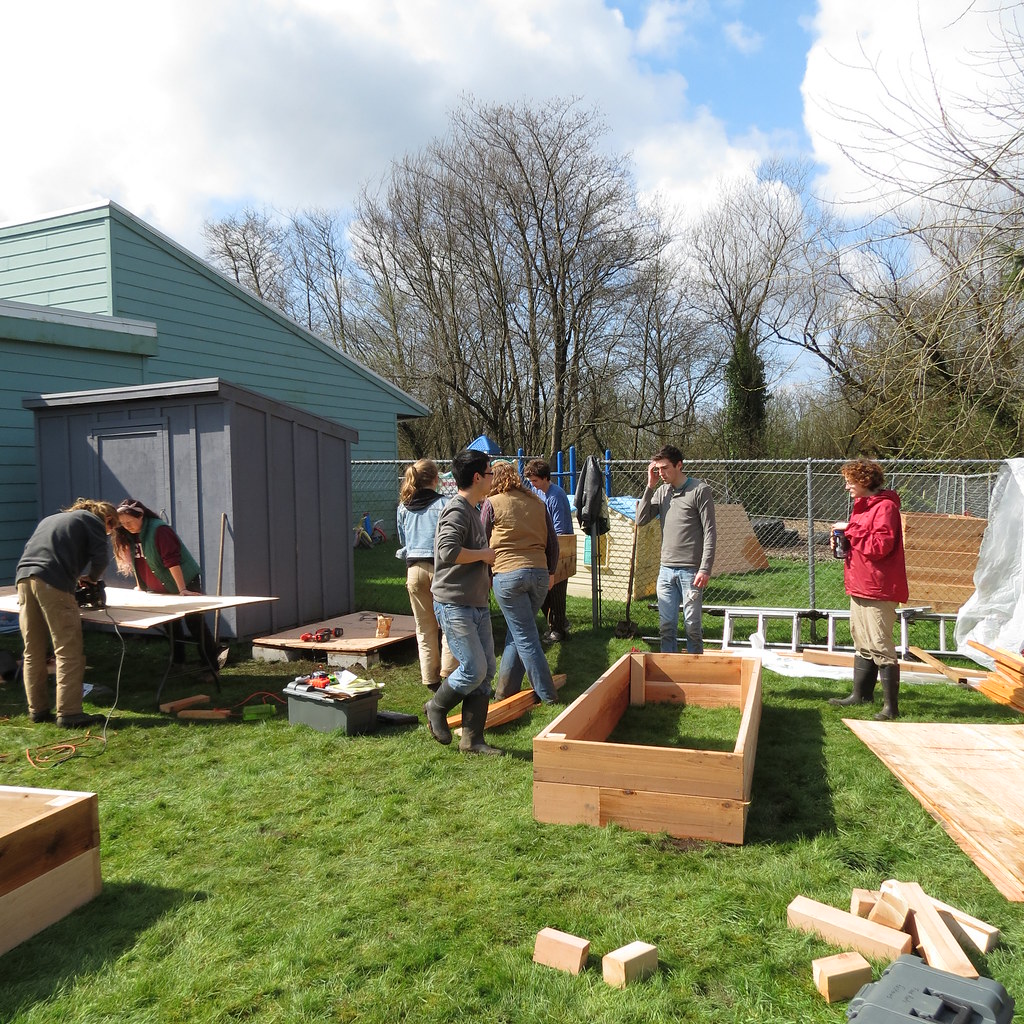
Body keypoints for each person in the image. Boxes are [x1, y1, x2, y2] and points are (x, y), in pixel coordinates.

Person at [15, 498, 119, 728]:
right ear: (108, 520)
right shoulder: (93, 521)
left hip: (24, 579)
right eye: (113, 529)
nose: (111, 533)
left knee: (33, 651)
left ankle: (38, 710)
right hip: (52, 583)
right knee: (68, 650)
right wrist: (91, 579)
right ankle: (70, 713)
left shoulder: (51, 519)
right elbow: (100, 559)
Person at [424, 449, 502, 755]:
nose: (493, 478)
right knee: (472, 668)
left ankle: (472, 741)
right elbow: (447, 552)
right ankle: (436, 706)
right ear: (477, 477)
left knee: (486, 671)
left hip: (475, 602)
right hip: (454, 603)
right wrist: (485, 555)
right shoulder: (457, 510)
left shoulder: (474, 508)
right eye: (490, 472)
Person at [828, 458, 909, 720]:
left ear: (864, 481)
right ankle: (861, 694)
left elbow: (880, 546)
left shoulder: (885, 507)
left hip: (879, 587)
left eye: (850, 482)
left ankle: (891, 707)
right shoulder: (861, 507)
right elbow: (861, 541)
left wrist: (850, 530)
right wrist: (842, 542)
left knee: (880, 642)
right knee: (861, 639)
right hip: (860, 583)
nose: (846, 487)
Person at [112, 498, 224, 680]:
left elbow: (172, 561)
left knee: (194, 623)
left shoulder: (159, 530)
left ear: (140, 515)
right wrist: (141, 587)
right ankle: (178, 662)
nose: (126, 526)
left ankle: (210, 667)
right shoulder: (130, 534)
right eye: (123, 523)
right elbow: (138, 561)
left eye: (129, 522)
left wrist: (182, 590)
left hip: (184, 581)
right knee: (171, 625)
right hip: (161, 586)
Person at [484, 461, 561, 704]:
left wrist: (485, 576)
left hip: (508, 575)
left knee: (525, 636)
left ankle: (548, 696)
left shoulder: (491, 503)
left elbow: (480, 539)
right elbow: (553, 543)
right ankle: (505, 692)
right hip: (538, 574)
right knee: (517, 633)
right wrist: (550, 571)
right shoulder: (538, 502)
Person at [637, 444, 716, 654]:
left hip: (691, 572)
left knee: (692, 628)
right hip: (666, 571)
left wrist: (705, 568)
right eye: (658, 469)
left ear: (679, 465)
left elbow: (710, 532)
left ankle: (695, 672)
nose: (661, 473)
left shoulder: (700, 490)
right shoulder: (662, 491)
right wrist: (650, 486)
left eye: (665, 468)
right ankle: (669, 674)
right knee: (666, 627)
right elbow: (641, 519)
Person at [396, 459, 458, 690]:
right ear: (436, 479)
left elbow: (403, 540)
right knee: (449, 623)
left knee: (424, 627)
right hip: (441, 569)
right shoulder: (445, 504)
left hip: (414, 570)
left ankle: (429, 678)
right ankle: (449, 672)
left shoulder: (403, 507)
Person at [524, 458, 573, 643]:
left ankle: (559, 630)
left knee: (557, 592)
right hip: (543, 548)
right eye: (530, 481)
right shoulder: (537, 493)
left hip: (560, 548)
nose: (532, 484)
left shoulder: (555, 496)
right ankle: (557, 623)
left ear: (545, 478)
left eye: (535, 480)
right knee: (542, 592)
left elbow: (559, 530)